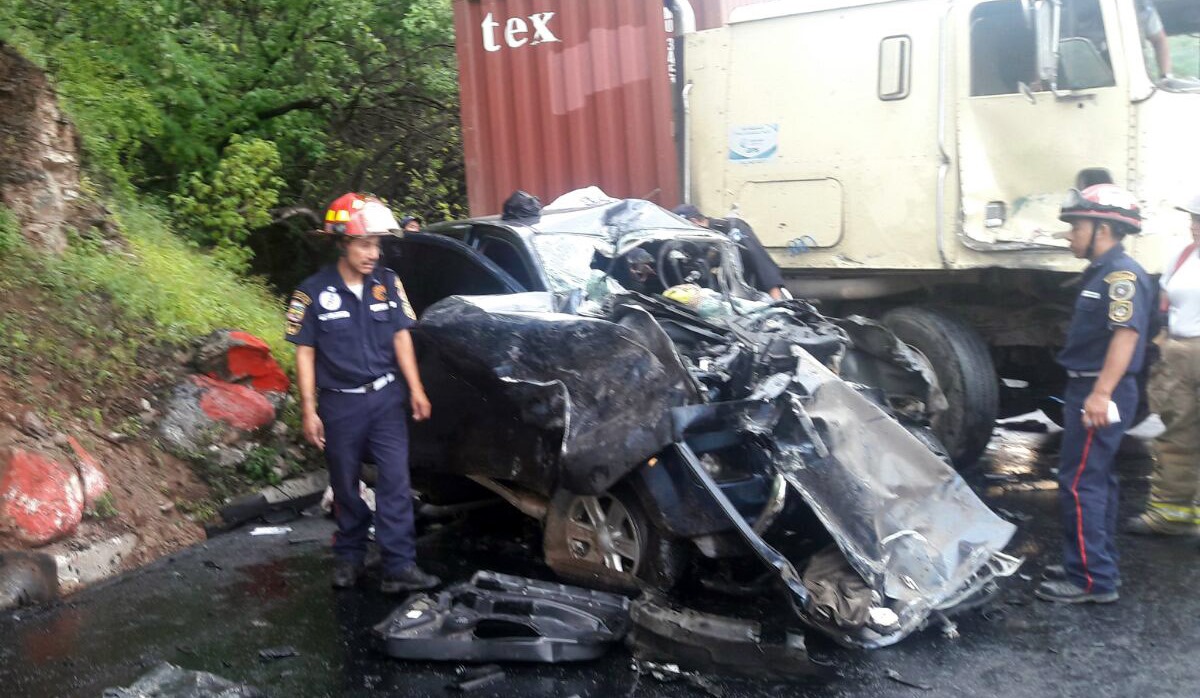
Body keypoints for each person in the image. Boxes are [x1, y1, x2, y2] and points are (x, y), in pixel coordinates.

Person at [286, 192, 439, 593]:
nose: (374, 253)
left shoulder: (388, 284)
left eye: (378, 244)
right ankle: (349, 556)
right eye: (365, 244)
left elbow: (403, 337)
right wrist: (309, 408)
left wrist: (417, 389)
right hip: (339, 403)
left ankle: (399, 565)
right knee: (345, 481)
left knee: (394, 481)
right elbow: (305, 353)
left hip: (387, 399)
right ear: (343, 242)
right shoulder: (312, 292)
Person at [1035, 184, 1154, 604]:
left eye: (1076, 226)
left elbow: (1126, 335)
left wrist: (1101, 393)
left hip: (1099, 386)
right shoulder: (1102, 273)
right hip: (1090, 384)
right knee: (1096, 479)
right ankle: (1088, 562)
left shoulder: (1120, 277)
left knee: (1081, 481)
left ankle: (1091, 579)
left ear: (1102, 228)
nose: (1069, 235)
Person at [1124, 193, 1200, 536]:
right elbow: (1166, 304)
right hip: (1179, 353)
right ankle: (1172, 514)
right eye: (1194, 218)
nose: (1194, 226)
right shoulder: (1184, 256)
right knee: (1176, 434)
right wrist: (1161, 346)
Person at [672, 204, 786, 300]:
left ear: (694, 222)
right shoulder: (692, 245)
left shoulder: (732, 228)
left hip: (750, 302)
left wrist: (777, 303)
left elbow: (761, 263)